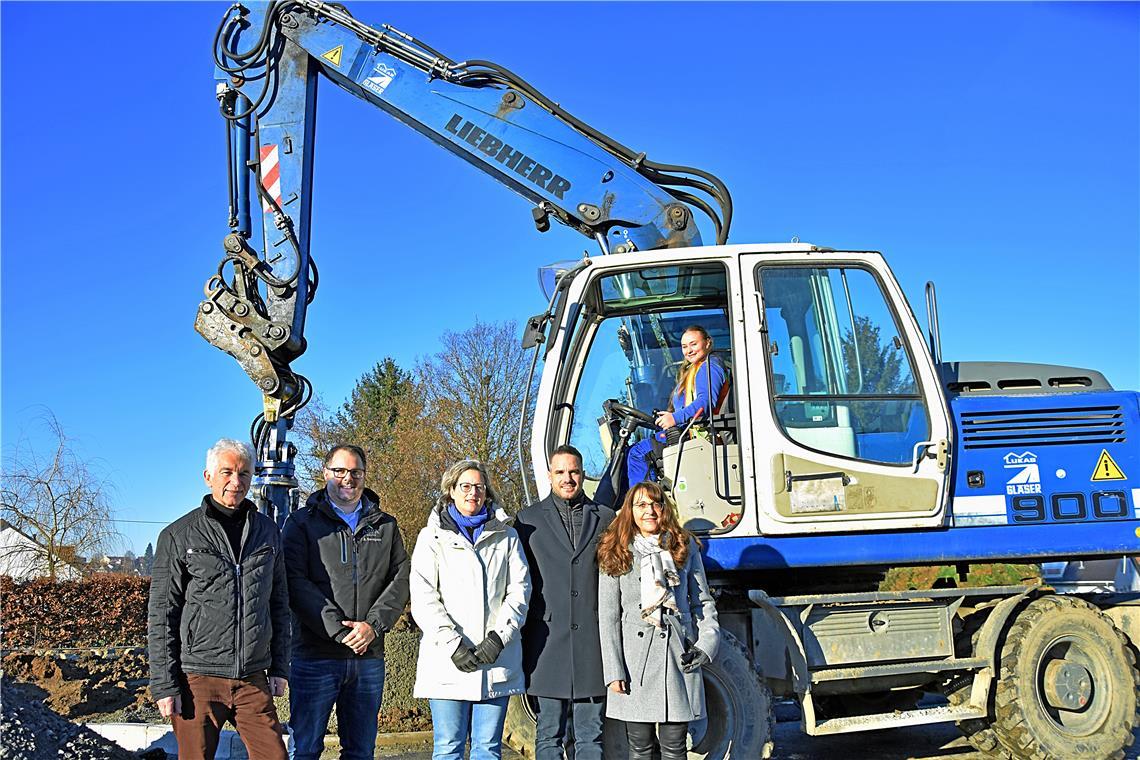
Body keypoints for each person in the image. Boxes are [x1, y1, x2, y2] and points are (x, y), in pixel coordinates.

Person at [147, 438, 289, 760]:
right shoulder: (179, 535)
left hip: (252, 677)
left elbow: (278, 603)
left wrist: (280, 666)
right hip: (198, 678)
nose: (236, 482)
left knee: (275, 756)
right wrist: (164, 685)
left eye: (244, 474)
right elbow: (162, 614)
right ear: (208, 476)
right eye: (227, 472)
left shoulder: (268, 532)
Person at [282, 444, 410, 760]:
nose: (347, 478)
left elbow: (402, 578)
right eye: (339, 471)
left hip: (368, 658)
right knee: (306, 749)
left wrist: (373, 626)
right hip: (315, 656)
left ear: (364, 476)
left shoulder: (386, 525)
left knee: (360, 751)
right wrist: (340, 631)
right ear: (326, 474)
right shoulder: (301, 524)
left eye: (355, 472)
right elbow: (295, 582)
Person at [410, 460, 531, 760]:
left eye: (479, 487)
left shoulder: (507, 536)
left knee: (488, 749)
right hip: (448, 661)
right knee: (448, 748)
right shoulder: (431, 538)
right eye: (465, 486)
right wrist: (453, 645)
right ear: (450, 491)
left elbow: (519, 590)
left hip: (495, 660)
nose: (472, 493)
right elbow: (424, 595)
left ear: (487, 493)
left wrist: (499, 638)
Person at [597, 481, 720, 760]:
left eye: (655, 504)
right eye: (641, 505)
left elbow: (702, 602)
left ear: (664, 509)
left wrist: (705, 645)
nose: (649, 511)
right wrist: (614, 671)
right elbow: (608, 616)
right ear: (630, 511)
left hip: (677, 657)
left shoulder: (683, 545)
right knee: (639, 747)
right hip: (633, 663)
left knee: (675, 746)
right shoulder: (615, 549)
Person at [514, 444, 616, 760]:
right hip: (546, 646)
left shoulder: (606, 518)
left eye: (573, 471)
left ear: (583, 474)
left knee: (591, 738)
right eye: (561, 472)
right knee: (548, 736)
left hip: (592, 644)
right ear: (549, 476)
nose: (567, 478)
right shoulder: (527, 521)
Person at [626, 325, 729, 485]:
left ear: (708, 343)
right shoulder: (693, 369)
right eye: (684, 346)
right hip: (689, 432)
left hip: (702, 436)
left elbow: (705, 403)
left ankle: (643, 501)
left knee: (638, 453)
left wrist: (674, 418)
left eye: (694, 344)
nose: (689, 350)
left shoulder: (709, 367)